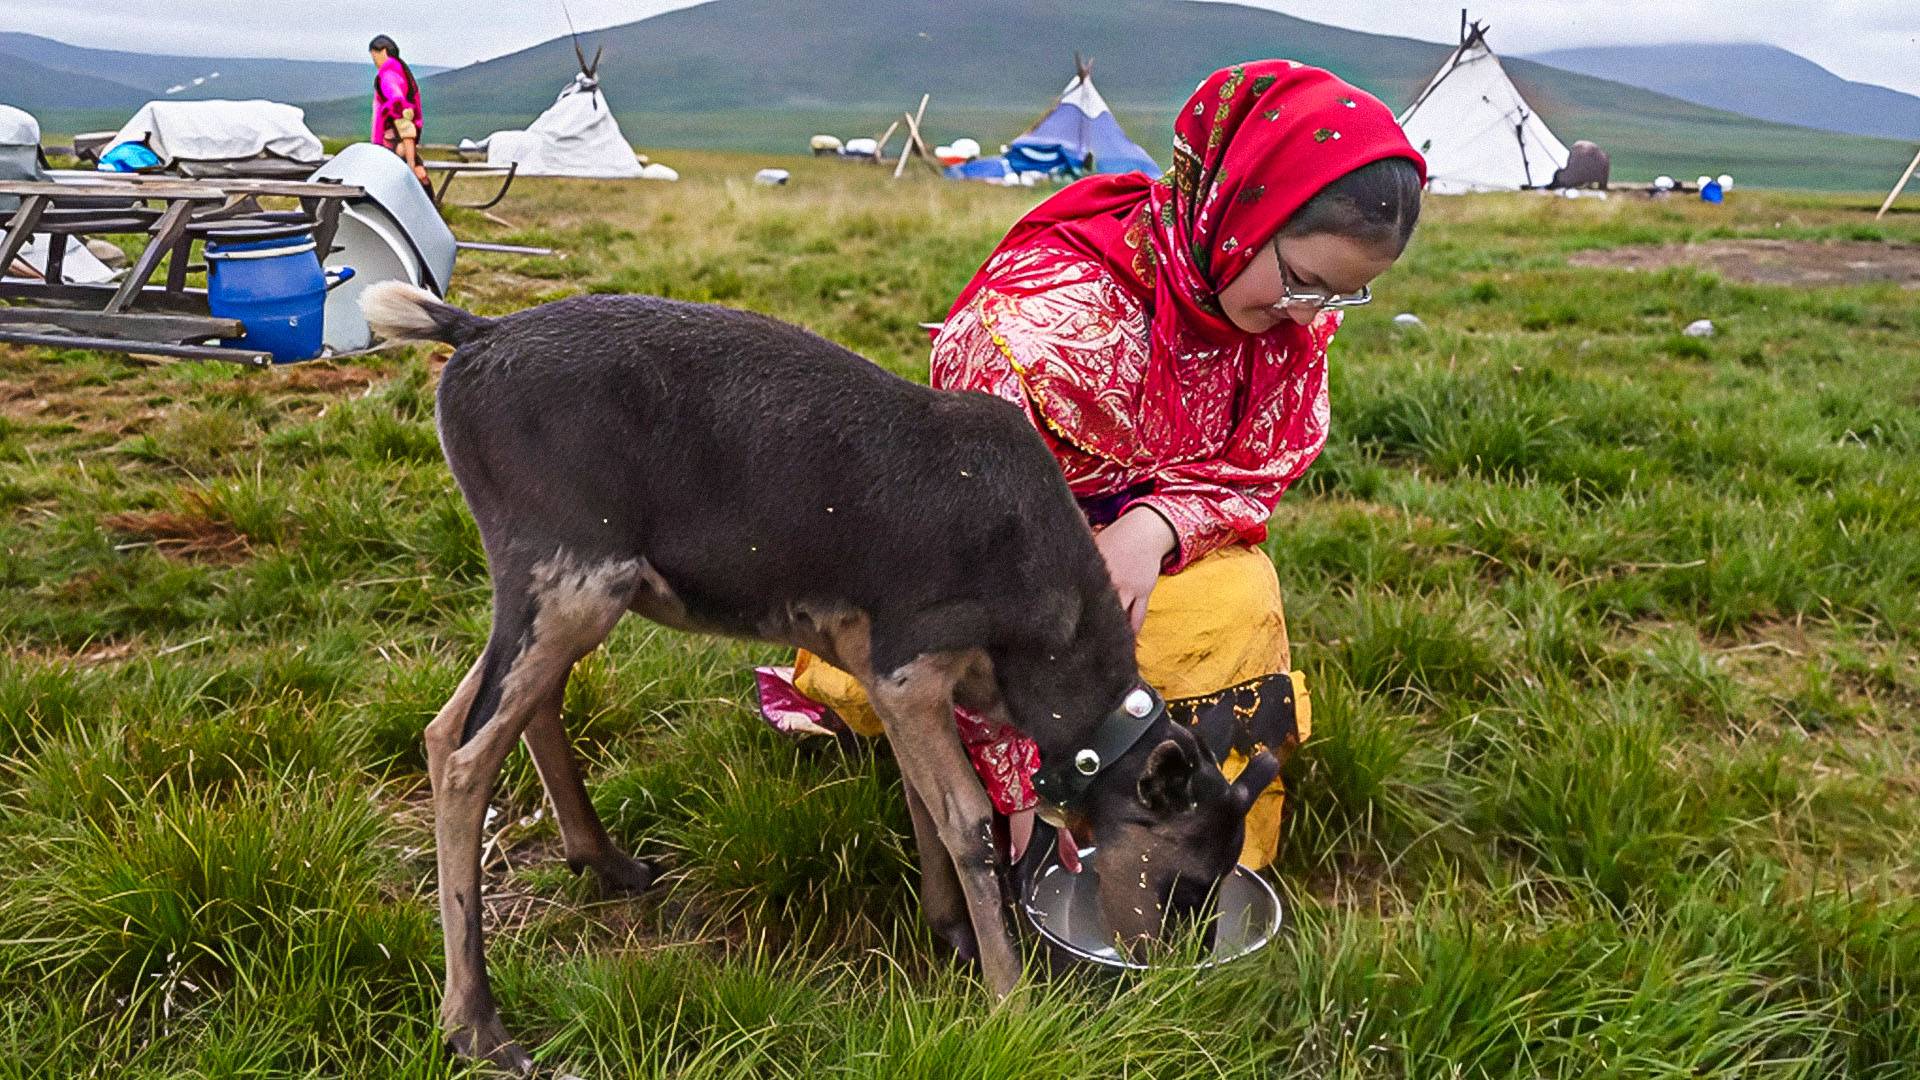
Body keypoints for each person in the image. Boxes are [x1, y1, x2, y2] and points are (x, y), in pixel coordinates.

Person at [758, 60, 1425, 874]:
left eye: (1341, 297)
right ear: (1238, 209)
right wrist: (1020, 779)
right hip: (968, 587)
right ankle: (1025, 815)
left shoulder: (1282, 317)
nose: (1311, 316)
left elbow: (1267, 460)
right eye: (1303, 281)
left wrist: (1154, 527)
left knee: (1238, 601)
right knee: (984, 683)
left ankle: (1201, 857)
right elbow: (946, 560)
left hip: (1126, 570)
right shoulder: (1038, 328)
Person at [369, 34, 429, 187]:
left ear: (383, 51)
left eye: (374, 55)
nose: (374, 60)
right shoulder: (402, 72)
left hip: (392, 142)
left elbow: (397, 101)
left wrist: (410, 162)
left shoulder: (387, 76)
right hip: (401, 140)